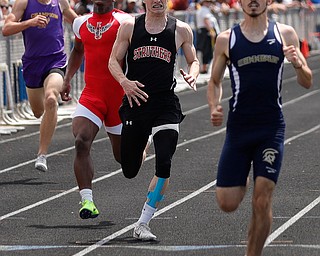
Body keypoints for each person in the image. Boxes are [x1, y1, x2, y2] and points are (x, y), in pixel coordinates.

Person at [206, 0, 313, 255]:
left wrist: (298, 63)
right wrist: (213, 106)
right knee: (227, 202)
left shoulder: (285, 34)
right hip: (239, 129)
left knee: (262, 198)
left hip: (270, 127)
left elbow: (307, 81)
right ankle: (241, 172)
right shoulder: (226, 39)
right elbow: (214, 80)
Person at [108, 0, 199, 240]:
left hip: (165, 104)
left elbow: (194, 60)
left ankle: (143, 223)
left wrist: (193, 74)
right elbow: (113, 61)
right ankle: (145, 143)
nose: (157, 1)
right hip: (136, 103)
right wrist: (124, 83)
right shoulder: (129, 26)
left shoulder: (180, 29)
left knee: (165, 162)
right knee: (129, 169)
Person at [60, 0, 131, 219]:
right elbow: (78, 50)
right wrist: (67, 78)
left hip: (118, 98)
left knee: (125, 161)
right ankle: (87, 200)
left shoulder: (125, 21)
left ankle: (142, 140)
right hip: (92, 96)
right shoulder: (80, 23)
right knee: (81, 141)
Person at [2, 0, 77, 172]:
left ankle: (42, 155)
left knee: (51, 99)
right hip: (33, 64)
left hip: (56, 60)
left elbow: (75, 20)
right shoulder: (25, 2)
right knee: (37, 112)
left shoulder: (60, 2)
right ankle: (46, 116)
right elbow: (6, 29)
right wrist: (29, 22)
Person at [195, 0, 220, 74]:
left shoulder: (203, 10)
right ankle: (204, 67)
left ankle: (205, 67)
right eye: (207, 2)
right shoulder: (204, 10)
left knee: (206, 50)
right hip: (206, 31)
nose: (209, 3)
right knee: (206, 50)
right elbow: (206, 20)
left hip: (204, 31)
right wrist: (211, 31)